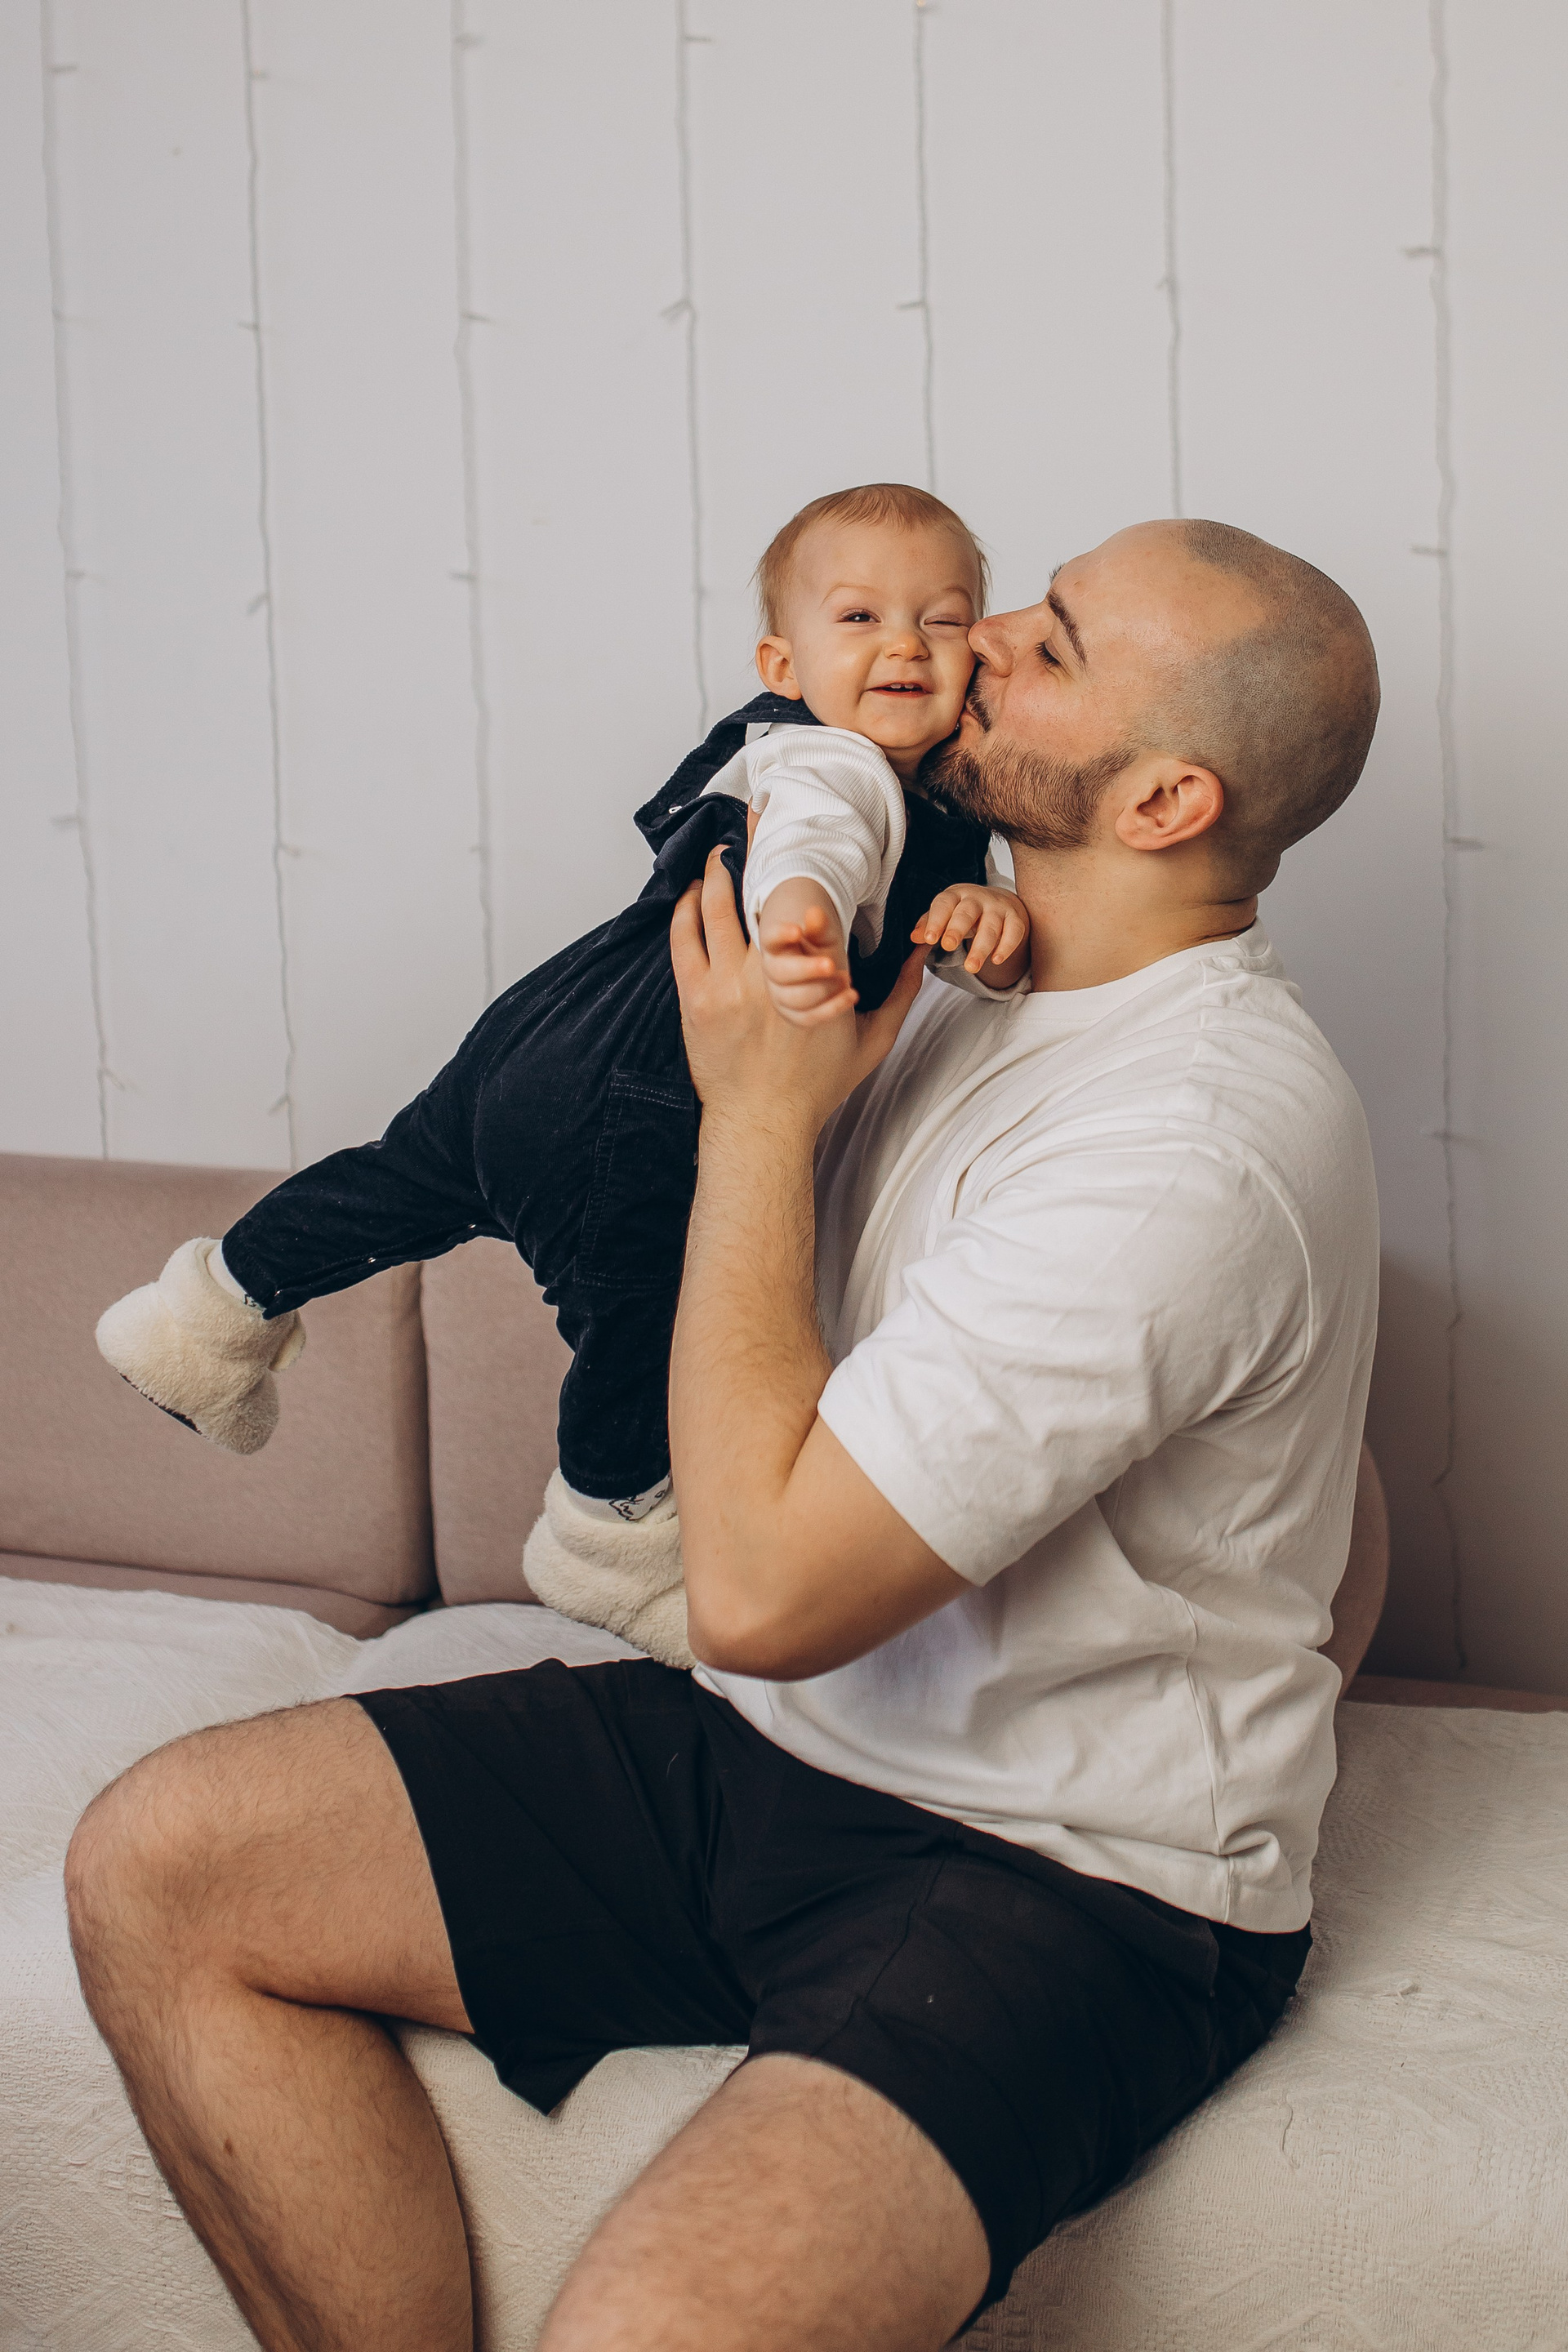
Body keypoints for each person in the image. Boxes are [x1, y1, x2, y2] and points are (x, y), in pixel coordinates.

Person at [65, 517, 1383, 2352]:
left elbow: (756, 1596)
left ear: (1165, 802)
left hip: (1066, 1876)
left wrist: (757, 1115)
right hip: (772, 1753)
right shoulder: (962, 968)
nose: (984, 635)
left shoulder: (1196, 1138)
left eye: (1055, 646)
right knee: (161, 1863)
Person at [92, 483, 1026, 1663]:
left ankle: (209, 1311)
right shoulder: (832, 766)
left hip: (540, 1033)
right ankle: (608, 1533)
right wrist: (800, 922)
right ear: (782, 662)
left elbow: (937, 939)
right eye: (860, 618)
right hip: (637, 1094)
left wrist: (986, 924)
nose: (905, 645)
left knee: (401, 1177)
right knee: (645, 1308)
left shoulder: (859, 779)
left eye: (942, 620)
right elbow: (817, 845)